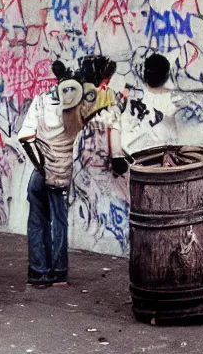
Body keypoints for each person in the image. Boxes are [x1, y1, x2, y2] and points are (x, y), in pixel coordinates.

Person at [17, 57, 118, 288]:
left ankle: (38, 273)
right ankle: (59, 273)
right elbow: (102, 100)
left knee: (36, 222)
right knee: (59, 222)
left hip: (39, 173)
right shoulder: (80, 108)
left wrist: (40, 164)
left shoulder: (41, 101)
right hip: (62, 173)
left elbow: (24, 137)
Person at [118, 53, 180, 156]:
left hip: (124, 148)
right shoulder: (172, 99)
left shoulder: (129, 91)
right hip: (152, 155)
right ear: (166, 76)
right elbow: (174, 137)